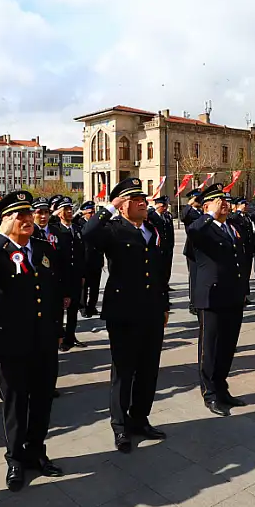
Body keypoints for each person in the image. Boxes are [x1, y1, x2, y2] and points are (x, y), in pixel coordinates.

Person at [0, 190, 66, 491]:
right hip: (10, 341)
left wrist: (58, 329)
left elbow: (52, 293)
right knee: (15, 403)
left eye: (29, 215)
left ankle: (37, 451)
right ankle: (15, 458)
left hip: (43, 340)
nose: (27, 220)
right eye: (19, 216)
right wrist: (1, 239)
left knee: (42, 400)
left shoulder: (43, 249)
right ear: (5, 221)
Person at [82, 178, 170, 453]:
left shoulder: (153, 229)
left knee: (148, 369)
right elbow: (88, 233)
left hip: (152, 310)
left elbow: (159, 271)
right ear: (122, 205)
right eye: (136, 199)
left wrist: (164, 304)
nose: (144, 202)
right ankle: (120, 427)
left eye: (143, 198)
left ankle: (140, 419)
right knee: (124, 370)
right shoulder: (112, 229)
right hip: (123, 311)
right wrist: (109, 207)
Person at [186, 184, 248, 417]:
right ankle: (210, 394)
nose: (224, 203)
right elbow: (192, 232)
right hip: (211, 296)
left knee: (227, 346)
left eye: (225, 200)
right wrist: (208, 215)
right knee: (210, 348)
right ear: (206, 206)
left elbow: (240, 259)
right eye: (217, 201)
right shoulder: (203, 228)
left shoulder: (232, 227)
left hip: (232, 295)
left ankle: (222, 389)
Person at [53, 196, 87, 350]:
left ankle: (71, 337)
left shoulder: (77, 229)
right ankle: (60, 337)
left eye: (70, 209)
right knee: (59, 310)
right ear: (59, 212)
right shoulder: (56, 230)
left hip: (75, 276)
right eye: (65, 209)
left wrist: (82, 275)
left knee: (73, 309)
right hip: (61, 277)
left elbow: (81, 254)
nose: (69, 212)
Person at [78, 201, 104, 318]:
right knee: (84, 286)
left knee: (95, 286)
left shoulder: (98, 224)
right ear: (84, 213)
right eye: (90, 212)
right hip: (84, 259)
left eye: (93, 212)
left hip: (96, 258)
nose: (92, 214)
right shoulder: (79, 223)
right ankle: (83, 307)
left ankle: (92, 306)